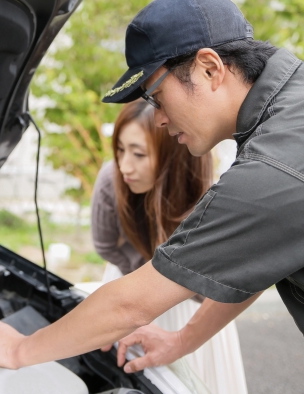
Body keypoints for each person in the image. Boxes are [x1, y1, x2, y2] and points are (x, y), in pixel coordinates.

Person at [0, 0, 304, 394]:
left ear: (210, 69)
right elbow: (266, 253)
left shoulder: (279, 165)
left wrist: (18, 350)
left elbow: (131, 305)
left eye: (157, 97)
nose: (158, 119)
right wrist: (181, 340)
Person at [91, 99, 247, 393]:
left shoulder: (212, 200)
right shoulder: (111, 180)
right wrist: (145, 277)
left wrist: (171, 292)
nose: (124, 165)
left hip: (191, 303)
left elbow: (220, 287)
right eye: (121, 150)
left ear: (173, 155)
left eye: (138, 153)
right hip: (131, 280)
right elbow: (105, 244)